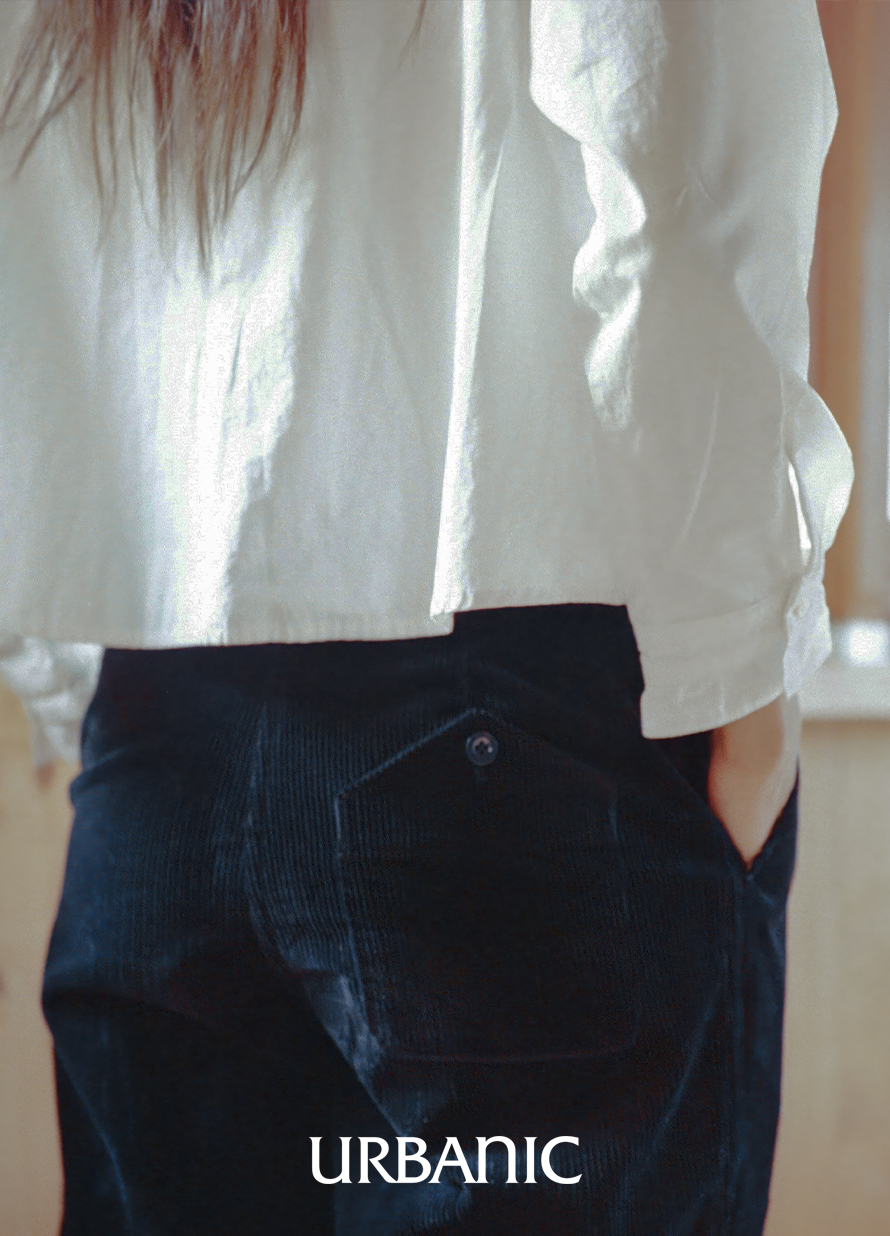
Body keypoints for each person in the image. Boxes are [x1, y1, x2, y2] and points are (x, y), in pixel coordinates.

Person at [0, 1, 852, 1233]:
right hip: (519, 725)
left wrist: (70, 684)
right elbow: (671, 156)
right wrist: (745, 685)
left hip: (155, 755)